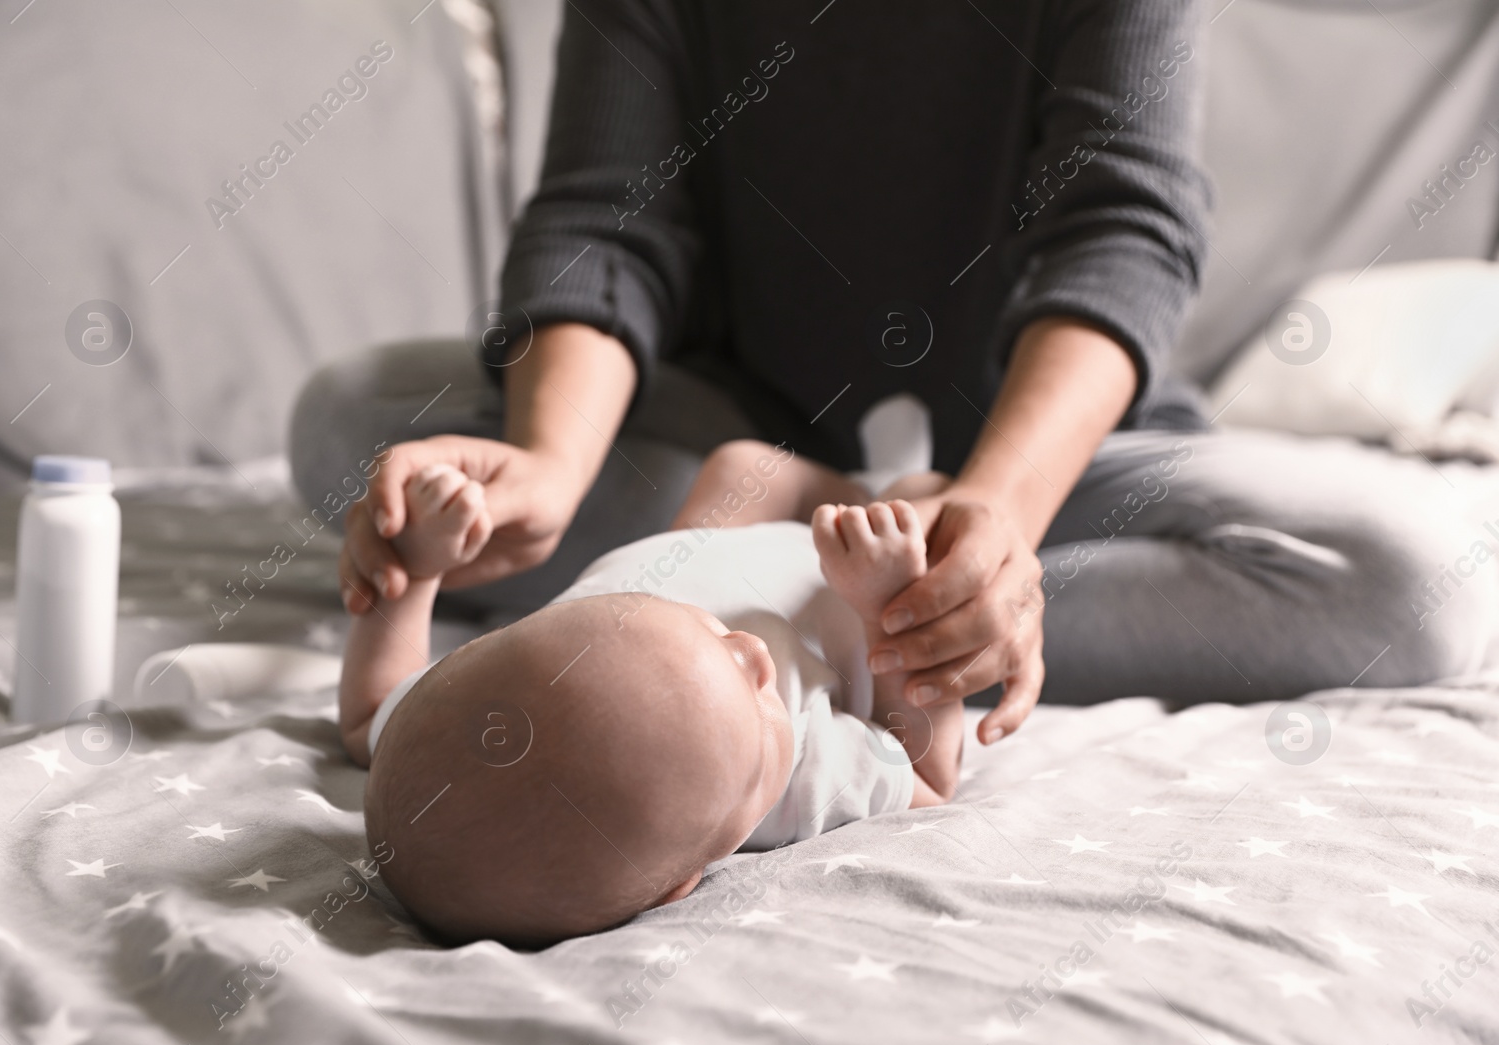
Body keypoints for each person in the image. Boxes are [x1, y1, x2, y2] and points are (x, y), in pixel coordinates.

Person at [295, 2, 1487, 751]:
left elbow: (1120, 229)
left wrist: (1000, 520)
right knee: (356, 422)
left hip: (1030, 456)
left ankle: (852, 573)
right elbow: (608, 219)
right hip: (732, 415)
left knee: (1414, 582)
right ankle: (822, 546)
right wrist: (548, 466)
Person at [343, 445, 965, 945]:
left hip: (708, 543)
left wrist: (415, 570)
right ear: (681, 884)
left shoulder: (470, 722)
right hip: (857, 587)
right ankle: (884, 488)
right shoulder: (796, 787)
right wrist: (889, 605)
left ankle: (856, 487)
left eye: (705, 630)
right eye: (756, 706)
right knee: (926, 501)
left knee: (743, 467)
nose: (754, 653)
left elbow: (367, 714)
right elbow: (929, 776)